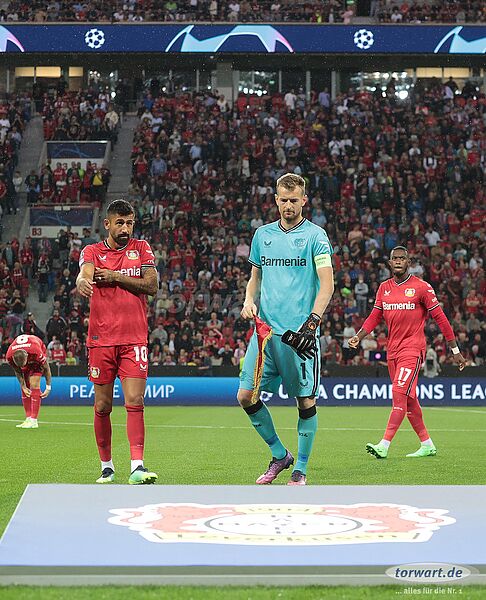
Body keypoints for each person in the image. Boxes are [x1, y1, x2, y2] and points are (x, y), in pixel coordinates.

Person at [238, 173, 334, 486]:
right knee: (245, 395)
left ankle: (300, 469)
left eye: (294, 200)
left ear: (304, 200)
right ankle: (280, 455)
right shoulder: (262, 235)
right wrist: (248, 300)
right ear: (276, 200)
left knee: (305, 402)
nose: (288, 205)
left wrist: (313, 321)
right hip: (265, 335)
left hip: (300, 337)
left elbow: (327, 284)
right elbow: (255, 278)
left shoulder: (316, 236)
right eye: (283, 200)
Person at [348, 246, 466, 459]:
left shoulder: (422, 287)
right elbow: (375, 316)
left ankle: (384, 445)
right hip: (392, 351)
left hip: (412, 349)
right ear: (390, 263)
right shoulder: (384, 288)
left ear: (408, 262)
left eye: (402, 258)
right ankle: (427, 444)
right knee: (409, 400)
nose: (398, 261)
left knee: (399, 393)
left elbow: (441, 318)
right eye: (395, 258)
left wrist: (455, 349)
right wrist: (359, 336)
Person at [76, 199, 159, 485]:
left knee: (135, 400)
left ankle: (137, 466)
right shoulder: (92, 251)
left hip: (134, 339)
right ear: (107, 224)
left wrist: (114, 276)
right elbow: (86, 272)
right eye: (120, 223)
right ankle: (107, 466)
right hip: (101, 340)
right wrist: (82, 281)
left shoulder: (141, 248)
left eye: (130, 223)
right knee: (102, 405)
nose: (125, 228)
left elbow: (152, 285)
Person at [6, 334, 52, 429]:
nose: (23, 367)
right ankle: (28, 418)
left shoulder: (36, 352)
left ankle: (34, 421)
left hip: (37, 347)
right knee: (26, 386)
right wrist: (23, 386)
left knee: (34, 384)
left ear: (27, 356)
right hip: (26, 351)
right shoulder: (9, 356)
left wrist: (48, 387)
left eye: (24, 364)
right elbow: (17, 371)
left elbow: (46, 368)